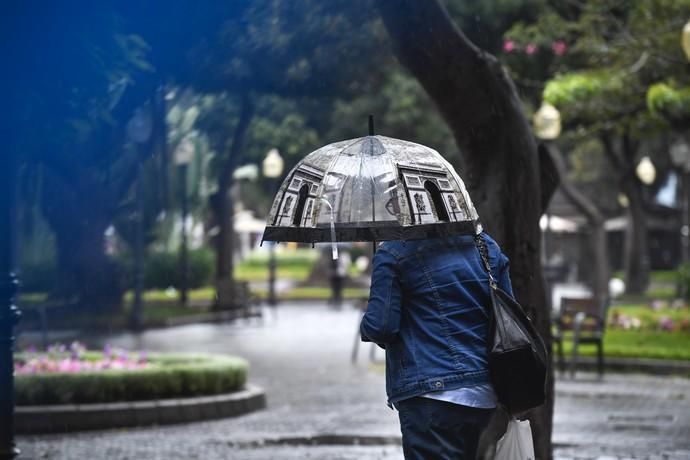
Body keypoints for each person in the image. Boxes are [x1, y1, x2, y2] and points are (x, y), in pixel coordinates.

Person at [360, 232, 513, 460]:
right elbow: (508, 314)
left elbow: (380, 327)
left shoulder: (393, 252)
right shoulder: (485, 245)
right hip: (483, 394)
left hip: (430, 395)